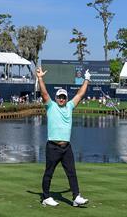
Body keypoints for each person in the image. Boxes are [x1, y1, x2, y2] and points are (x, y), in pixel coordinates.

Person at [36, 66, 90, 207]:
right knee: (49, 172)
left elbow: (80, 94)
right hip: (52, 146)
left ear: (66, 98)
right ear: (56, 98)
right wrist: (40, 78)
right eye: (59, 97)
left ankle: (76, 196)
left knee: (71, 172)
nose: (61, 99)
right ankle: (46, 197)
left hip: (66, 147)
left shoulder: (70, 106)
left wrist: (86, 80)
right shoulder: (50, 106)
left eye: (63, 97)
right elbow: (44, 93)